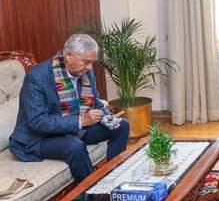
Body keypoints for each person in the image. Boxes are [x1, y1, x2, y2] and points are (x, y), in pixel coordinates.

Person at [9, 34, 130, 181]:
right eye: (86, 62)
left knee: (121, 126)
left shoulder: (86, 72)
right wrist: (81, 121)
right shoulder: (37, 77)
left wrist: (106, 117)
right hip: (39, 138)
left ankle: (114, 177)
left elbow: (95, 102)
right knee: (74, 146)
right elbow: (37, 121)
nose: (90, 68)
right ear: (69, 56)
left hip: (71, 130)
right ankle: (92, 188)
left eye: (92, 63)